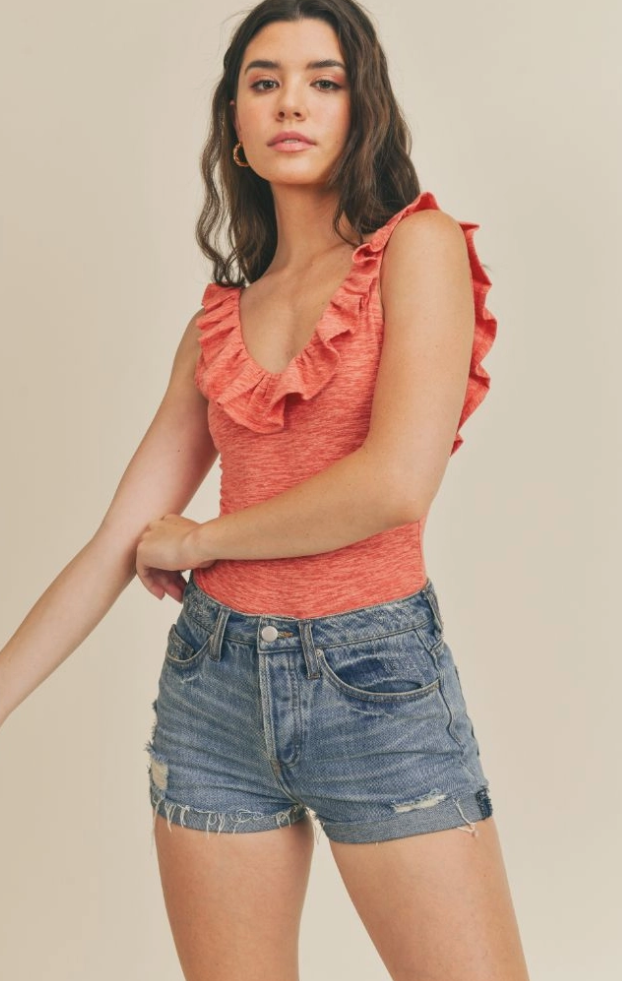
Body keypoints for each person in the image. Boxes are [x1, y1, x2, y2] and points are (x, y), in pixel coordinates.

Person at [0, 1, 532, 979]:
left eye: (324, 81)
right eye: (264, 81)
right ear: (236, 127)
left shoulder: (416, 248)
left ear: (361, 110)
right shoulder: (220, 319)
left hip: (375, 682)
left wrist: (204, 539)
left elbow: (393, 485)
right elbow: (120, 537)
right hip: (213, 687)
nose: (292, 102)